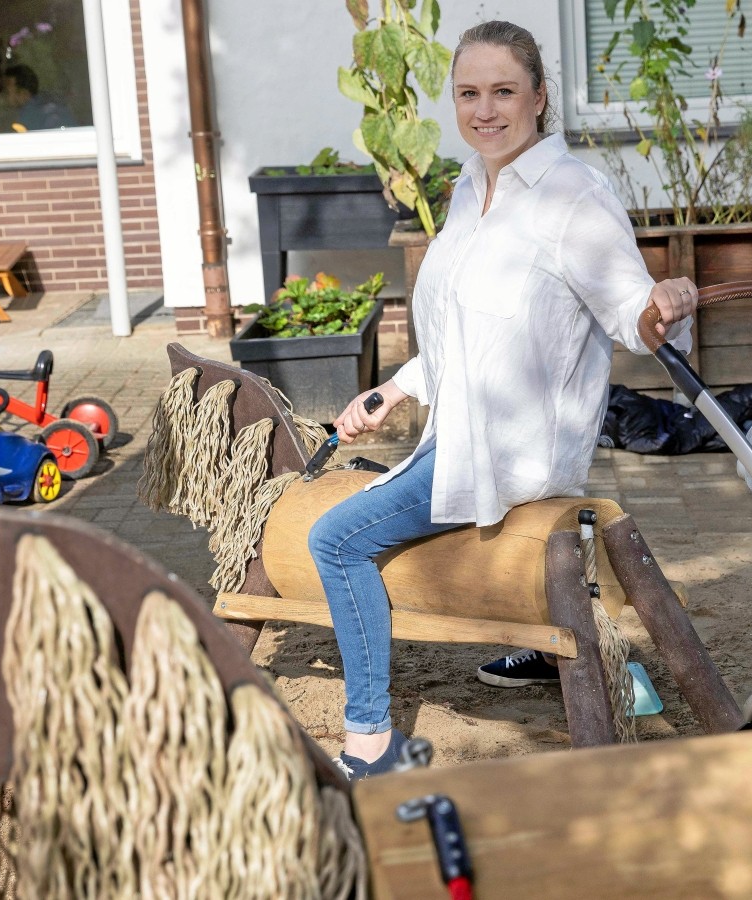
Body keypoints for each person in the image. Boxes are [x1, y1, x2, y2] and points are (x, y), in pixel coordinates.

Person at [307, 20, 697, 781]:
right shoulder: (467, 186)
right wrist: (394, 388)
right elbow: (458, 330)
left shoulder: (573, 195)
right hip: (458, 436)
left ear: (540, 97)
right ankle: (600, 667)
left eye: (504, 91)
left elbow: (630, 314)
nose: (485, 110)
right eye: (469, 93)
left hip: (516, 455)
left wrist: (664, 301)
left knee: (335, 539)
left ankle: (369, 742)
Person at [1, 64, 77, 132]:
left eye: (7, 92)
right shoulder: (47, 109)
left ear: (24, 93)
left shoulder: (33, 118)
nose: (4, 97)